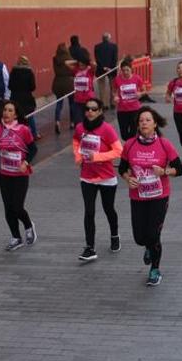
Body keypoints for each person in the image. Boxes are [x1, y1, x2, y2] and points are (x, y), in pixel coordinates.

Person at [119, 107, 182, 287]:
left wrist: (164, 171)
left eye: (148, 120)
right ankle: (147, 247)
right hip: (138, 197)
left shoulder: (164, 144)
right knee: (140, 237)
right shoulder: (130, 144)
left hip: (159, 197)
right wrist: (128, 179)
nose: (144, 123)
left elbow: (179, 169)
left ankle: (155, 269)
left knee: (153, 234)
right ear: (137, 125)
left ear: (155, 124)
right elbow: (122, 168)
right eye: (141, 121)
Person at [0, 101, 39, 251]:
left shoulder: (24, 130)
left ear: (15, 114)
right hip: (5, 175)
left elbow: (33, 149)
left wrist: (26, 162)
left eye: (10, 111)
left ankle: (28, 226)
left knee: (17, 206)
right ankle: (16, 237)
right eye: (5, 110)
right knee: (8, 208)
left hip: (21, 174)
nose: (6, 113)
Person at [73, 97, 123, 261]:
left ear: (100, 111)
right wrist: (78, 156)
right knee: (89, 211)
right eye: (87, 109)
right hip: (87, 177)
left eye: (94, 109)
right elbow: (76, 142)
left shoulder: (106, 129)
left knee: (109, 209)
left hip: (106, 177)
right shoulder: (80, 128)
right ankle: (90, 248)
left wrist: (98, 156)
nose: (90, 112)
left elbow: (118, 151)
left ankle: (114, 235)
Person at [113, 56, 147, 140]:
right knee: (124, 135)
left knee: (133, 132)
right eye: (123, 70)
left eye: (127, 70)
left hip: (135, 109)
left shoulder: (137, 78)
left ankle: (131, 149)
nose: (125, 72)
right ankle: (130, 144)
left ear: (131, 69)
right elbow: (114, 91)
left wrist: (140, 94)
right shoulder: (117, 80)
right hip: (122, 110)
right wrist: (115, 96)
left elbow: (144, 90)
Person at [9, 54, 38, 138]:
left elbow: (10, 86)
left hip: (15, 98)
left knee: (16, 118)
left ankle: (16, 135)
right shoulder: (29, 72)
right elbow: (33, 87)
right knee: (30, 117)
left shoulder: (13, 72)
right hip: (27, 98)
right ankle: (34, 134)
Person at [51, 43, 76, 135]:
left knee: (59, 103)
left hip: (58, 82)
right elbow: (73, 70)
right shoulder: (70, 59)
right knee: (72, 103)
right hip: (69, 82)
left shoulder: (55, 59)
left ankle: (57, 121)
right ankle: (72, 122)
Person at [94, 32, 119, 108]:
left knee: (102, 87)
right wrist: (110, 68)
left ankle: (103, 104)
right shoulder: (114, 46)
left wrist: (103, 67)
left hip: (100, 69)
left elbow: (97, 58)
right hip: (112, 69)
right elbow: (115, 58)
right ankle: (112, 103)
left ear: (102, 38)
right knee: (112, 87)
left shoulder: (97, 47)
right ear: (109, 38)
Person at [70, 58, 97, 126]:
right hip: (78, 100)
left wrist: (88, 61)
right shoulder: (76, 71)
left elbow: (94, 65)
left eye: (82, 65)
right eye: (80, 65)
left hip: (88, 99)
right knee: (78, 122)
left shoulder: (90, 71)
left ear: (86, 65)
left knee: (89, 120)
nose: (81, 67)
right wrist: (77, 61)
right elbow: (66, 63)